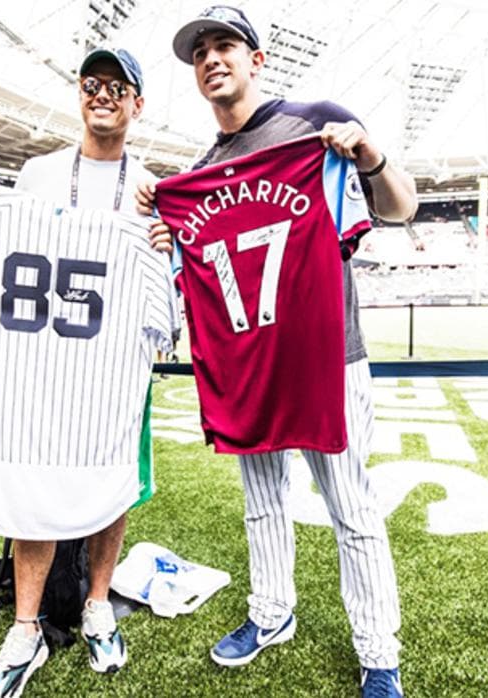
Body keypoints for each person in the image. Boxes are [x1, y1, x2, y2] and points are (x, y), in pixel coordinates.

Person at [136, 7, 418, 697]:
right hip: (249, 363)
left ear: (256, 59)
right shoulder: (200, 173)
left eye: (224, 45)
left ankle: (378, 651)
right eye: (199, 52)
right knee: (262, 501)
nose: (211, 59)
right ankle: (271, 612)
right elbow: (192, 267)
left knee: (351, 505)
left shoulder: (315, 126)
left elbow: (401, 208)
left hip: (327, 356)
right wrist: (173, 236)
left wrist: (370, 156)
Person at [0, 47, 155, 697]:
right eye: (92, 83)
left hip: (110, 368)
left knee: (112, 477)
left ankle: (97, 603)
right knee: (31, 481)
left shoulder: (150, 189)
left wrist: (164, 245)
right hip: (36, 371)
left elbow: (166, 283)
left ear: (137, 104)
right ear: (80, 94)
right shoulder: (37, 175)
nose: (103, 95)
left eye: (117, 87)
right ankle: (25, 627)